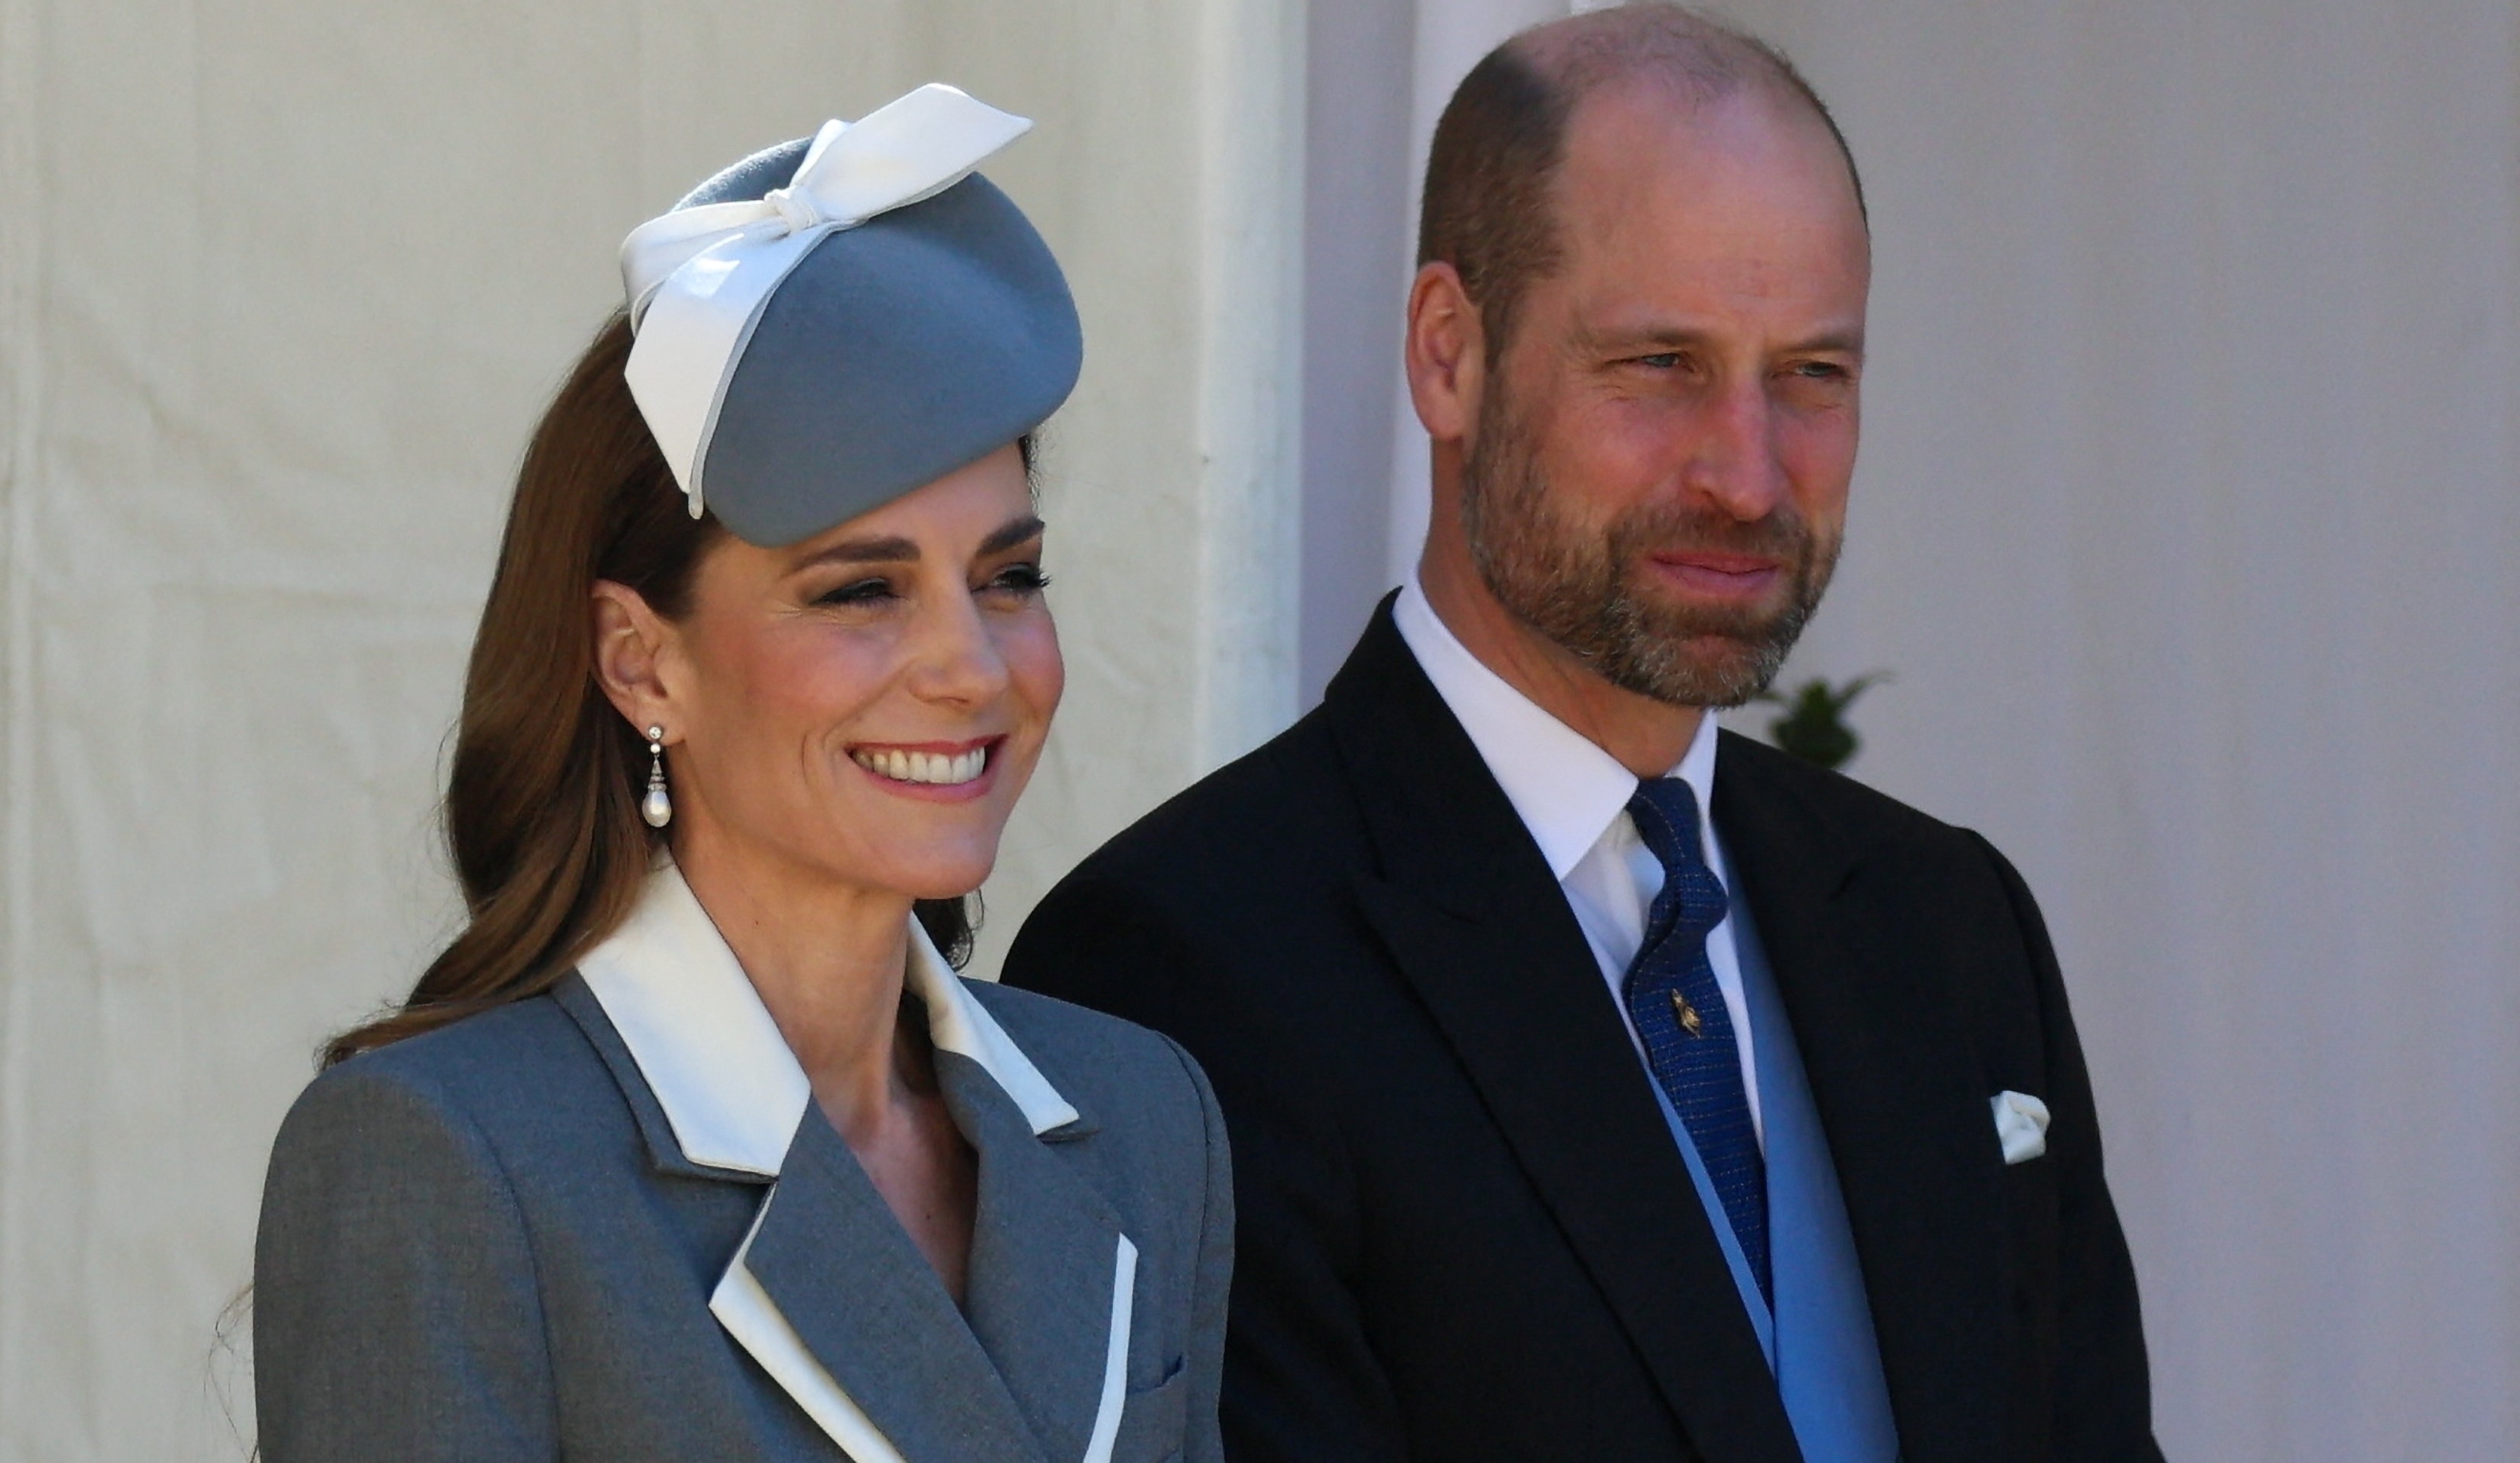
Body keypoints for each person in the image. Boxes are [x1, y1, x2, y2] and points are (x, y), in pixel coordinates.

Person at [1006, 10, 2158, 1462]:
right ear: (1447, 354)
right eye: (1658, 363)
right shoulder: (1176, 965)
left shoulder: (1947, 923)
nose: (1747, 475)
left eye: (1810, 372)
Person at [254, 85, 1229, 1463]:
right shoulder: (444, 1162)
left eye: (1007, 576)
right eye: (858, 593)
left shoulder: (1141, 1117)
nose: (969, 665)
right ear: (640, 660)